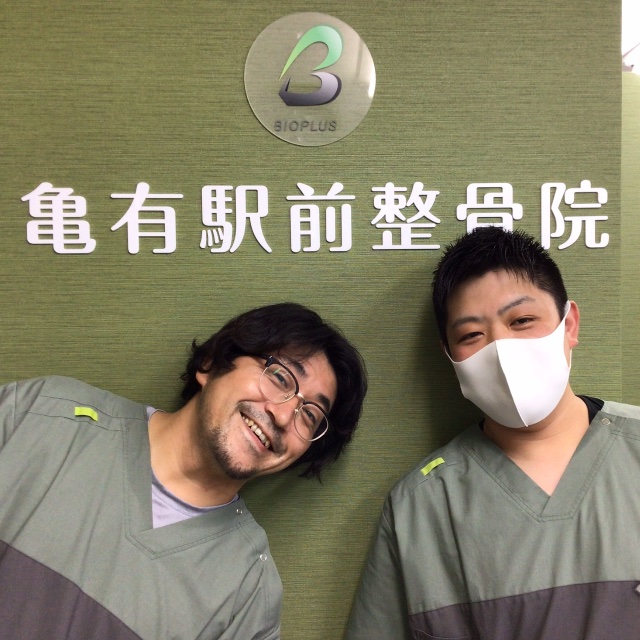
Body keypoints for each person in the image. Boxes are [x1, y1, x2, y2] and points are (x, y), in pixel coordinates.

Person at [0, 302, 367, 640]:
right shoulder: (39, 415)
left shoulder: (247, 592)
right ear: (211, 363)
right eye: (281, 378)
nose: (284, 415)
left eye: (310, 415)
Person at [346, 227, 639, 640]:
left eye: (522, 321)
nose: (500, 350)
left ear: (569, 324)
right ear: (450, 355)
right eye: (471, 336)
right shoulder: (421, 508)